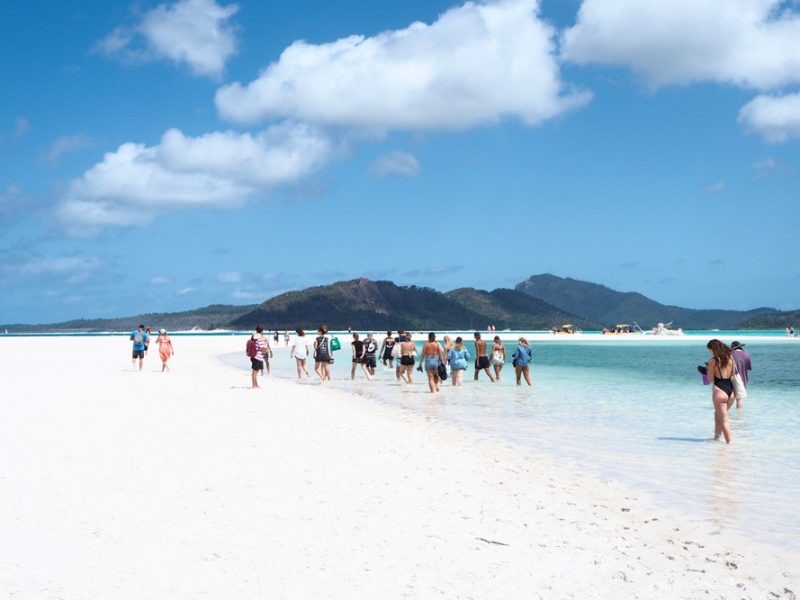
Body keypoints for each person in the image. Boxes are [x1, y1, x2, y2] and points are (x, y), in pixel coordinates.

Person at [706, 339, 735, 443]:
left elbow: (710, 379)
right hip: (731, 391)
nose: (710, 352)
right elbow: (733, 374)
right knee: (718, 414)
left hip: (719, 390)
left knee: (724, 420)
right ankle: (716, 438)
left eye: (710, 350)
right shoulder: (731, 358)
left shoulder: (713, 361)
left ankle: (729, 445)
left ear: (713, 349)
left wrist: (707, 370)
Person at [730, 341, 752, 408]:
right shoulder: (746, 354)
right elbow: (749, 367)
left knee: (730, 397)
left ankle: (725, 414)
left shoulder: (730, 354)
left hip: (730, 378)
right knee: (739, 399)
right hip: (743, 379)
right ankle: (739, 416)